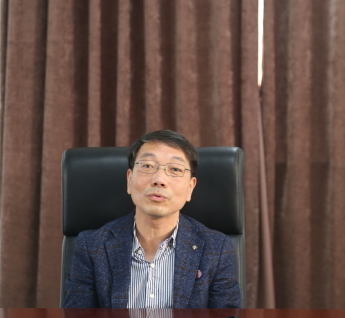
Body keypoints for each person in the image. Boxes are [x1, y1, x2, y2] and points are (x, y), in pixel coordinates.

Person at [63, 130, 241, 308]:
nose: (159, 179)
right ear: (129, 179)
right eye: (148, 166)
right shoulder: (92, 246)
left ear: (190, 187)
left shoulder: (215, 248)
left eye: (175, 169)